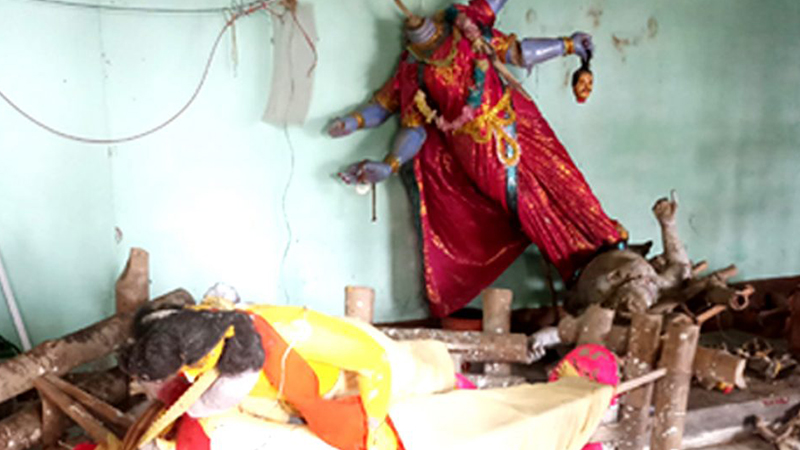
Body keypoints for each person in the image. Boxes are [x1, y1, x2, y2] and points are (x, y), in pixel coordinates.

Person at [328, 0, 624, 317]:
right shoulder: (414, 71)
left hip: (519, 122)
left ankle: (609, 240)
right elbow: (400, 121)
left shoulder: (467, 28)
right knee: (529, 205)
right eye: (411, 28)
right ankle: (574, 268)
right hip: (479, 152)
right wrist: (365, 138)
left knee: (565, 179)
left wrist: (568, 45)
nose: (416, 24)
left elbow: (520, 52)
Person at [120, 289, 458, 450]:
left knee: (425, 386)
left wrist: (372, 422)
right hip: (285, 395)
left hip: (357, 370)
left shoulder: (290, 332)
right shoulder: (192, 344)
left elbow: (374, 362)